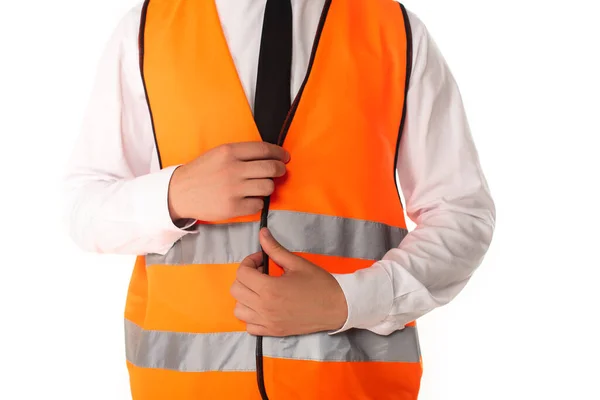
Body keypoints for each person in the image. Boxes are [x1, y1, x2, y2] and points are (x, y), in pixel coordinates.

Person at [63, 0, 496, 399]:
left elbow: (462, 214)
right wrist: (175, 194)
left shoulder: (395, 32)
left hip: (350, 388)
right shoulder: (146, 28)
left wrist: (350, 300)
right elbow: (84, 206)